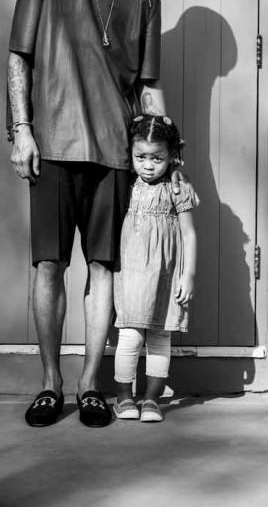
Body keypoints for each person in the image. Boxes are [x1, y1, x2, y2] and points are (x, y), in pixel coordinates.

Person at [8, 0, 170, 428]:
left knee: (103, 268)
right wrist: (22, 130)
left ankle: (90, 386)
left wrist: (163, 153)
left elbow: (148, 87)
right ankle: (52, 384)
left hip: (114, 154)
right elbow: (19, 60)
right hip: (51, 143)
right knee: (48, 264)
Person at [113, 114, 198, 423]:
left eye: (157, 158)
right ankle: (124, 398)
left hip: (167, 274)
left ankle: (152, 398)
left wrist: (188, 275)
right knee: (131, 335)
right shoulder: (126, 184)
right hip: (133, 271)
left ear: (171, 156)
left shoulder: (177, 188)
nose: (148, 165)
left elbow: (189, 233)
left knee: (160, 337)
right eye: (141, 157)